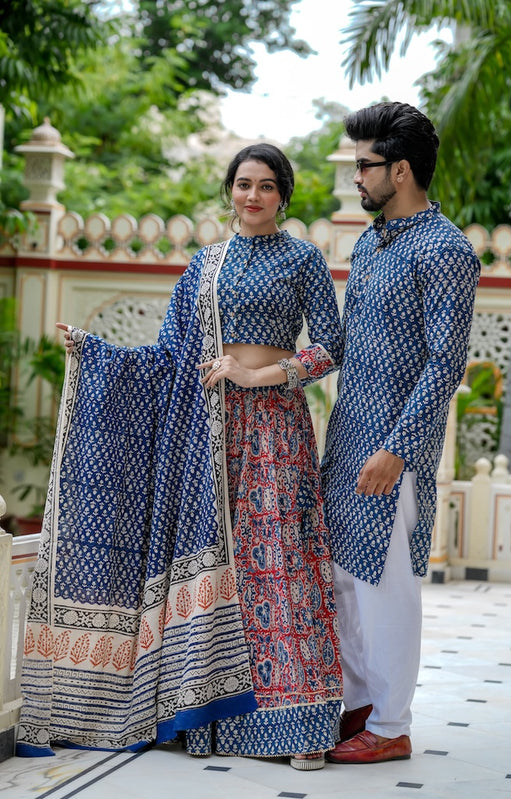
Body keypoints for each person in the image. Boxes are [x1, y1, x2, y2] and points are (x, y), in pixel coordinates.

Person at [16, 143, 343, 771]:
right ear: (230, 191)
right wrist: (96, 354)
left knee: (281, 564)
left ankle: (302, 725)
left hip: (275, 430)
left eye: (266, 185)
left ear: (284, 195)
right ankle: (214, 721)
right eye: (243, 183)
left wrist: (260, 375)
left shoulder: (303, 259)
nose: (253, 195)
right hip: (206, 432)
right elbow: (169, 358)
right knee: (225, 567)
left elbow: (330, 347)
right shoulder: (205, 265)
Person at [320, 102, 481, 764]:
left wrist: (396, 447)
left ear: (401, 169)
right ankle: (359, 704)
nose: (356, 176)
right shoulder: (372, 241)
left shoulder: (445, 250)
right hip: (346, 438)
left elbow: (444, 364)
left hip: (394, 451)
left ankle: (391, 726)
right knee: (345, 579)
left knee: (385, 584)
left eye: (365, 165)